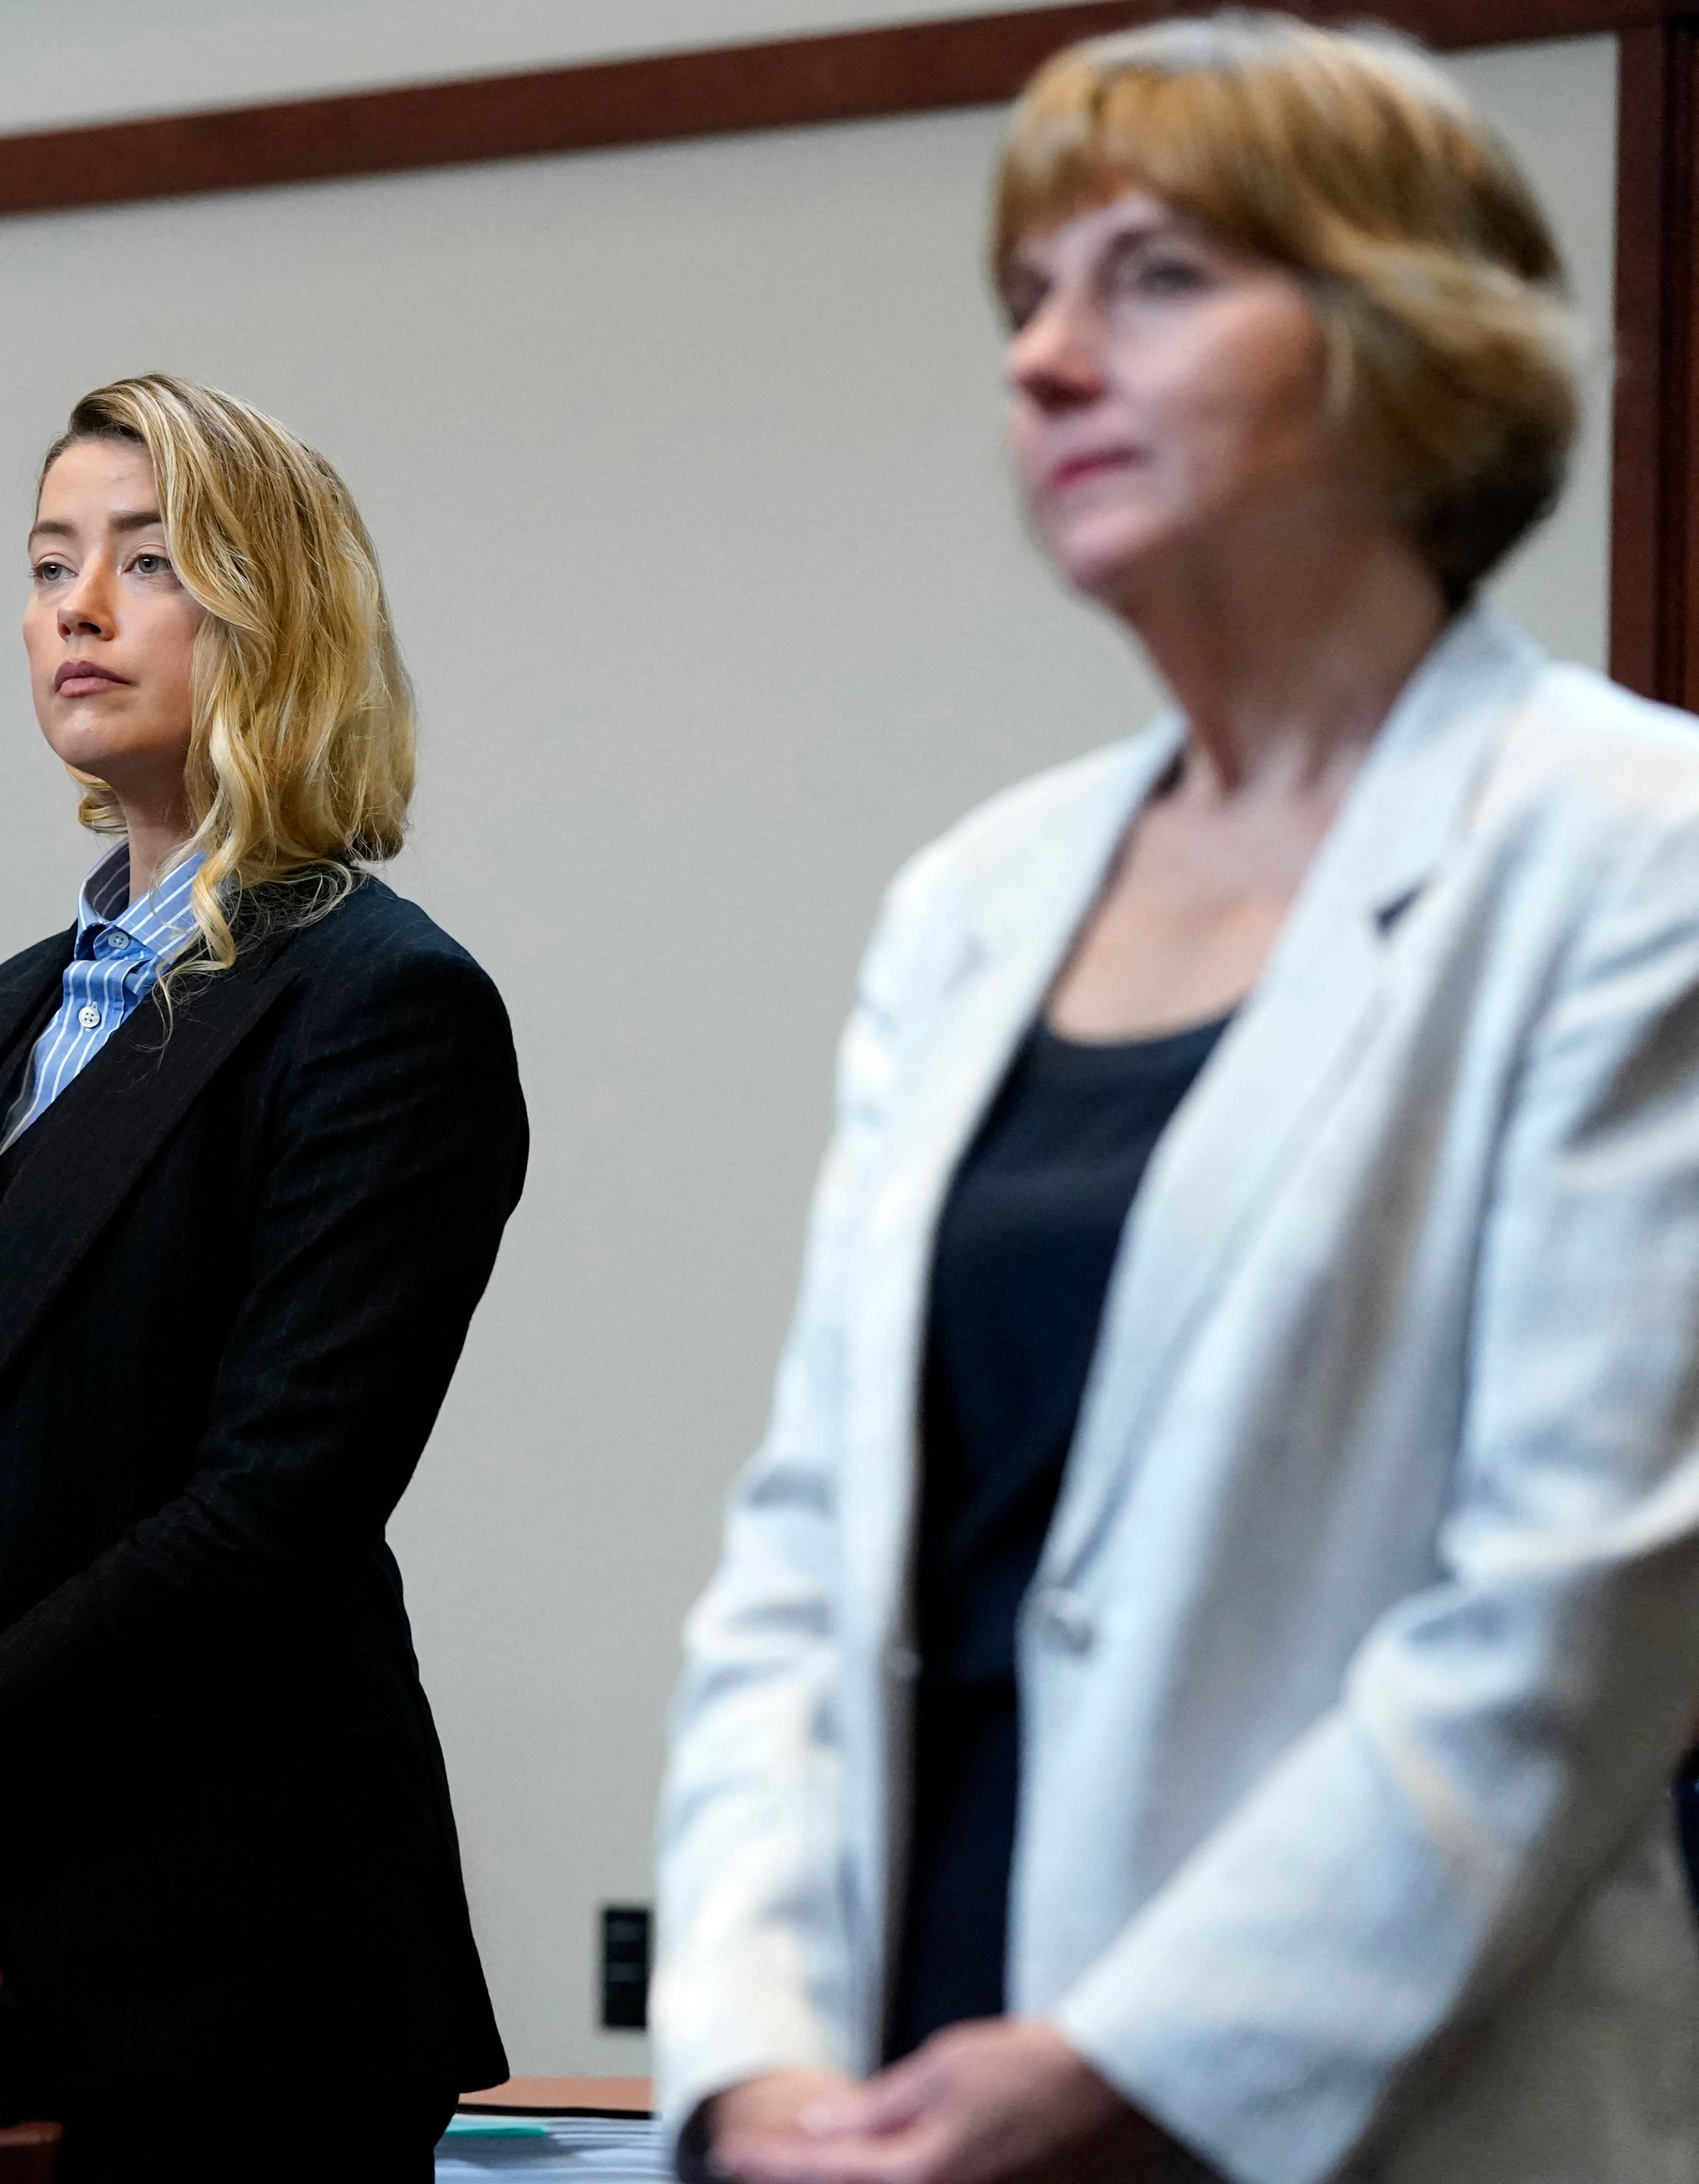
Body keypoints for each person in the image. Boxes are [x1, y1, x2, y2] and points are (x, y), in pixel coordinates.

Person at [656, 18, 1699, 2184]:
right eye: (1025, 297)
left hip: (1362, 2112)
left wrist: (1135, 2068)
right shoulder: (972, 903)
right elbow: (800, 1566)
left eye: (1152, 276)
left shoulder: (1628, 848)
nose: (1044, 358)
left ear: (1401, 337)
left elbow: (1573, 1613)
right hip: (889, 2101)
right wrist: (747, 2059)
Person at [0, 374, 525, 2180]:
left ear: (277, 617)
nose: (77, 610)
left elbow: (270, 1516)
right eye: (48, 566)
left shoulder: (382, 1005)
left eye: (147, 563)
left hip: (230, 1990)